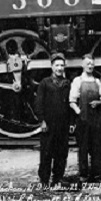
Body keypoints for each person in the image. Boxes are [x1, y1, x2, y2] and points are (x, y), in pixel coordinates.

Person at [35, 53, 71, 186]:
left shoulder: (67, 83)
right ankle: (44, 179)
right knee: (46, 152)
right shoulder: (45, 83)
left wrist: (71, 122)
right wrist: (42, 121)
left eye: (62, 65)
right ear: (52, 67)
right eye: (57, 65)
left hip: (63, 123)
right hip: (49, 124)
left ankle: (58, 178)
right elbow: (38, 103)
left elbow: (70, 103)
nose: (59, 68)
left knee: (61, 153)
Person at [69, 55, 101, 182]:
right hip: (83, 119)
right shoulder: (77, 81)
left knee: (97, 146)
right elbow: (72, 101)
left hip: (96, 118)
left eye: (92, 64)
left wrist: (99, 102)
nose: (90, 66)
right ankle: (83, 174)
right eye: (88, 64)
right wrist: (79, 112)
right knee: (83, 147)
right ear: (82, 65)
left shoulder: (97, 81)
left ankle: (96, 173)